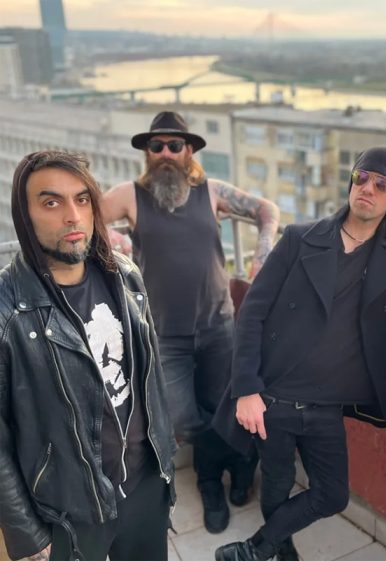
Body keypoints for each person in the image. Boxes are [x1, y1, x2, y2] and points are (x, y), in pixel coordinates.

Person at [214, 147, 386, 561]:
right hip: (275, 397)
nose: (368, 188)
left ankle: (256, 547)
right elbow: (253, 313)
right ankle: (280, 549)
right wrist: (247, 389)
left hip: (327, 406)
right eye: (361, 177)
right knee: (277, 484)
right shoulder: (301, 238)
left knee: (332, 494)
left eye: (383, 184)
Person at [101, 111, 280, 534]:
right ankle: (232, 463)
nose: (165, 152)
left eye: (174, 145)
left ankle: (218, 478)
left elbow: (266, 209)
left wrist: (263, 250)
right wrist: (116, 239)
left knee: (227, 406)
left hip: (220, 325)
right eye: (156, 146)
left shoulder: (211, 191)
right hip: (166, 335)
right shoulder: (130, 195)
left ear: (189, 152)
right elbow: (88, 218)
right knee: (182, 418)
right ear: (147, 153)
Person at [0, 151, 175, 561]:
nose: (73, 216)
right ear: (24, 216)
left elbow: (151, 381)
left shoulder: (125, 275)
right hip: (68, 509)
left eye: (82, 199)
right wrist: (25, 531)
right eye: (51, 202)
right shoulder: (8, 310)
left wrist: (164, 470)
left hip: (146, 485)